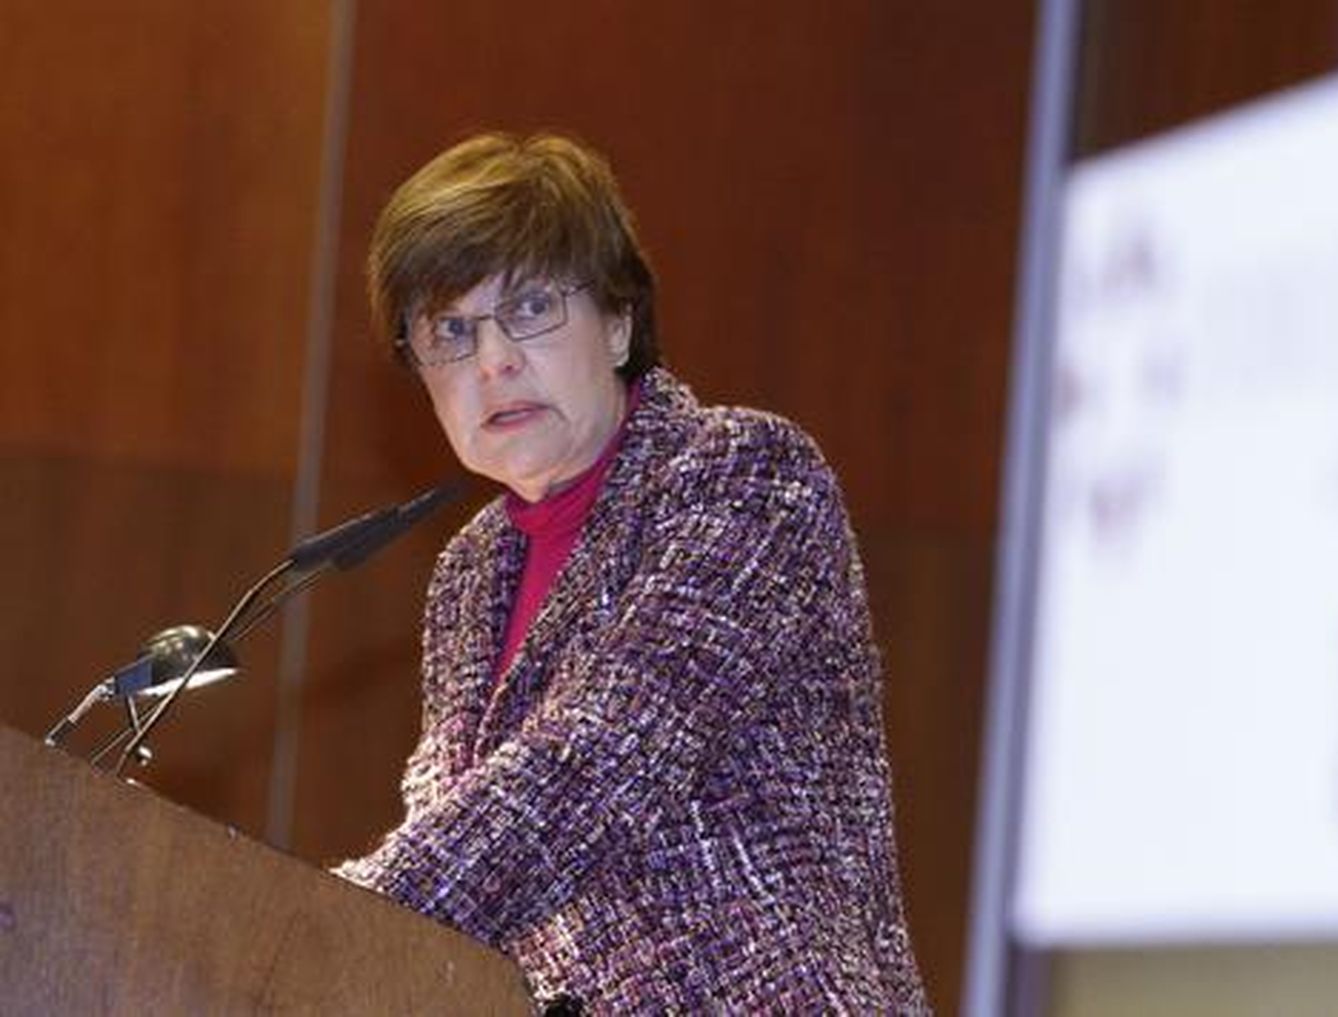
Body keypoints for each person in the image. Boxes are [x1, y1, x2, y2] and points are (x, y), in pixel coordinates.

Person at [333, 132, 928, 1013]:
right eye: (450, 331)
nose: (492, 361)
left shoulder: (743, 475)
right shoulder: (471, 570)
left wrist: (317, 920)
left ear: (618, 322)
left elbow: (599, 763)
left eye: (531, 308)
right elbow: (458, 832)